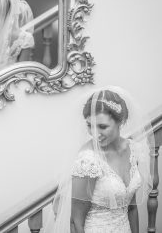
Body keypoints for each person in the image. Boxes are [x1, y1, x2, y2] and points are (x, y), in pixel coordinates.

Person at [45, 87, 154, 233]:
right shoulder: (87, 160)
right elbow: (76, 222)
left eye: (102, 127)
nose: (95, 134)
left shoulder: (133, 150)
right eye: (90, 126)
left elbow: (132, 208)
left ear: (121, 122)